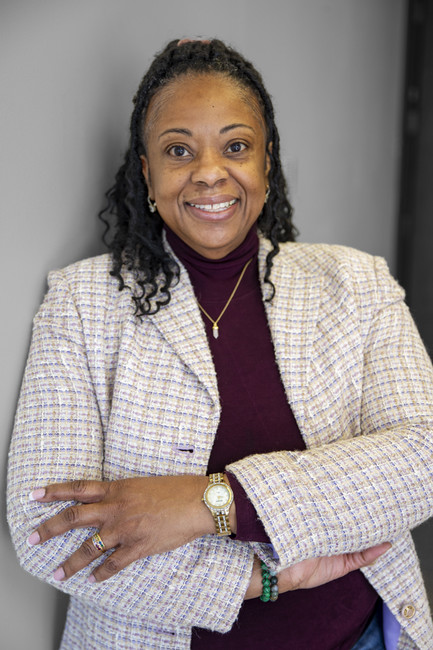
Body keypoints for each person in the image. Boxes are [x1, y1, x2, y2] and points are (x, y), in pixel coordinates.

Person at [7, 38, 433, 650]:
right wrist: (264, 578)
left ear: (266, 162)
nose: (209, 172)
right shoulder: (82, 305)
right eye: (179, 150)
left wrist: (208, 502)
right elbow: (47, 532)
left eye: (236, 146)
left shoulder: (356, 283)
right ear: (147, 173)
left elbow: (421, 459)